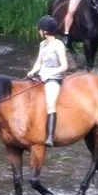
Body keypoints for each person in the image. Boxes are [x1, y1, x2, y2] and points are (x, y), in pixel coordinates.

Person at [27, 16, 68, 147]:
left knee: (50, 103)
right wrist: (32, 72)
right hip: (40, 76)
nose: (38, 31)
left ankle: (50, 136)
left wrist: (50, 74)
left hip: (53, 78)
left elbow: (64, 66)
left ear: (44, 31)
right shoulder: (43, 44)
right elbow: (38, 62)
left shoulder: (58, 45)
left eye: (40, 29)